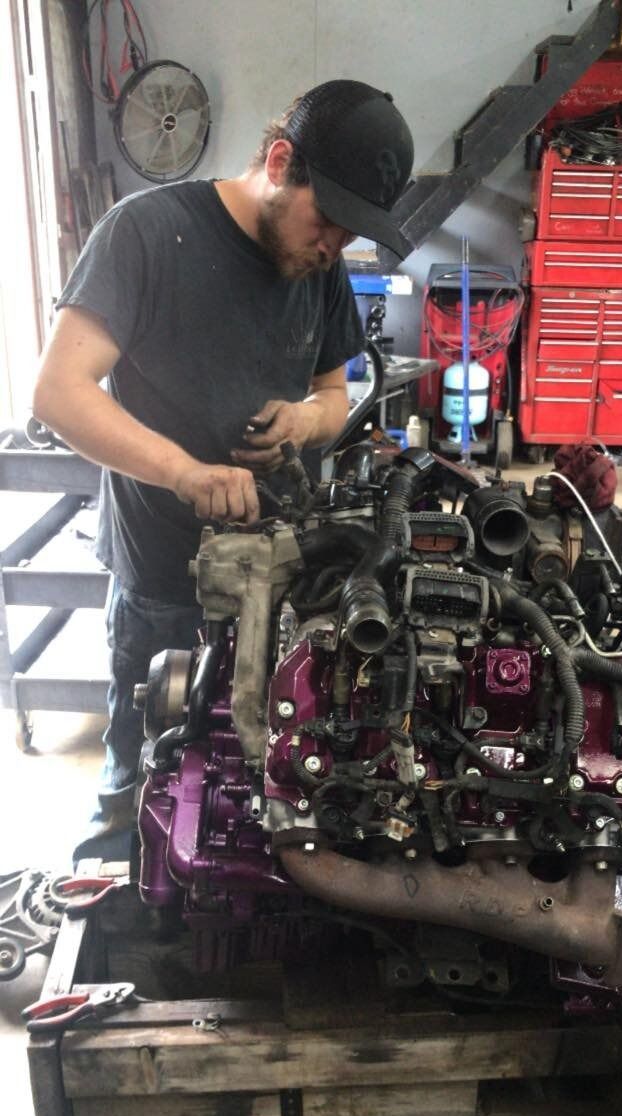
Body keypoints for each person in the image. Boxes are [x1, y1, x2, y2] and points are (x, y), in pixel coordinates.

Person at [32, 79, 414, 842]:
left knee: (271, 785)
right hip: (164, 584)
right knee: (143, 790)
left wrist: (306, 421)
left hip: (284, 582)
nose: (335, 244)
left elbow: (336, 395)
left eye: (351, 231)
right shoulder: (145, 233)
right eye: (329, 220)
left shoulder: (319, 268)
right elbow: (59, 392)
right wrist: (183, 472)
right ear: (280, 161)